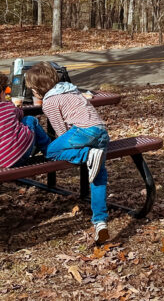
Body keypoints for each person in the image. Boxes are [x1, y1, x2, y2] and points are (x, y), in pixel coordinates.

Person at [25, 62, 111, 244]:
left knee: (50, 152)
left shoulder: (49, 102)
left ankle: (87, 156)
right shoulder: (71, 90)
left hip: (82, 132)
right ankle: (100, 222)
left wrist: (70, 149)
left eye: (32, 89)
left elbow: (62, 132)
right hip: (101, 133)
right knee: (98, 176)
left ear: (37, 89)